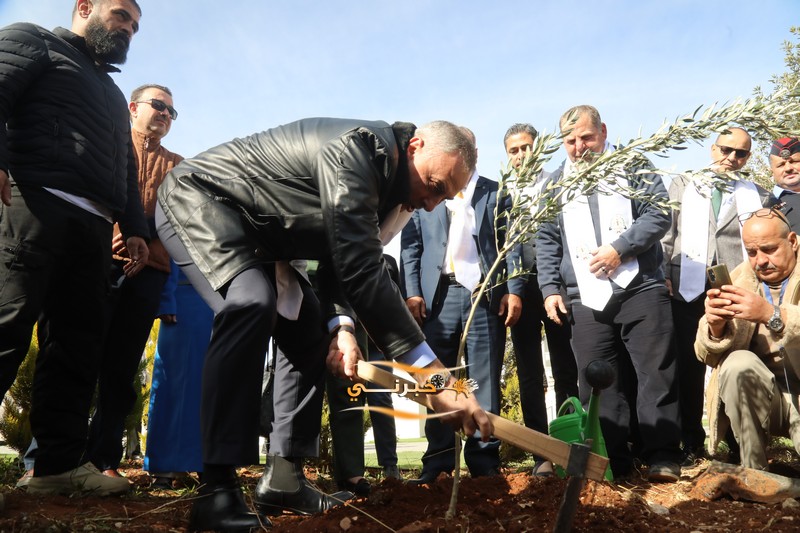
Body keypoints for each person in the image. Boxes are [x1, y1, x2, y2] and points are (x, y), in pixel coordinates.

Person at [156, 118, 491, 532]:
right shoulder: (360, 151)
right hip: (201, 199)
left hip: (260, 235)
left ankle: (283, 477)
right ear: (416, 146)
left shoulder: (395, 190)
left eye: (446, 197)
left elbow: (339, 257)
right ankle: (216, 491)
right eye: (436, 186)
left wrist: (342, 328)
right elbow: (361, 269)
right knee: (250, 304)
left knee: (309, 331)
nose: (431, 204)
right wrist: (436, 382)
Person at [0, 0, 148, 496]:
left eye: (134, 23)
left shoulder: (109, 89)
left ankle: (56, 468)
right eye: (120, 14)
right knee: (7, 324)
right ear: (84, 7)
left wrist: (134, 227)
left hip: (93, 228)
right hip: (33, 204)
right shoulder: (32, 40)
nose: (127, 27)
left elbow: (125, 167)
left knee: (77, 346)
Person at [535, 105, 682, 482]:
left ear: (603, 130)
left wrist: (622, 247)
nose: (579, 147)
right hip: (585, 296)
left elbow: (658, 212)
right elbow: (547, 239)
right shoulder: (554, 183)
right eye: (570, 141)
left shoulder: (633, 165)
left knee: (655, 374)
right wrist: (550, 287)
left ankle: (662, 456)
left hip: (641, 286)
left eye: (586, 137)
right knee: (598, 382)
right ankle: (612, 462)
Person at [400, 128, 523, 483]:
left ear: (473, 154)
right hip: (437, 298)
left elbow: (511, 244)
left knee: (482, 379)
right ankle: (437, 461)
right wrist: (412, 292)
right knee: (438, 379)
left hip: (485, 297)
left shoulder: (496, 193)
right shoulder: (428, 190)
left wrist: (513, 288)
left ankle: (484, 463)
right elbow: (410, 246)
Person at [661, 127, 776, 465]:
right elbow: (669, 234)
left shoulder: (759, 194)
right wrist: (665, 274)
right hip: (687, 286)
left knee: (732, 359)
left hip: (736, 285)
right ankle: (690, 441)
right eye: (726, 150)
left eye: (741, 153)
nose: (732, 158)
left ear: (748, 157)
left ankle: (738, 441)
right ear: (712, 149)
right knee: (688, 364)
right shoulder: (685, 184)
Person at [86, 83, 183, 477]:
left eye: (171, 112)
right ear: (132, 107)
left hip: (150, 274)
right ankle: (48, 458)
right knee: (73, 356)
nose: (164, 114)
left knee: (121, 367)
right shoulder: (106, 143)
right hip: (96, 262)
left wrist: (146, 238)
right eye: (158, 106)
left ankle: (103, 460)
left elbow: (181, 218)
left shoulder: (179, 165)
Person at [695, 207, 800, 470]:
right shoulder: (740, 280)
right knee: (738, 363)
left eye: (769, 249)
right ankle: (754, 472)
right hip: (770, 399)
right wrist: (716, 328)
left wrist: (770, 314)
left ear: (793, 242)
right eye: (752, 252)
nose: (760, 260)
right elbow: (703, 353)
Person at [503, 123, 579, 477]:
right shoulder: (501, 194)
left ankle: (569, 444)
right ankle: (540, 454)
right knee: (530, 372)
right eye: (514, 150)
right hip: (520, 292)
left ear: (540, 148)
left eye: (527, 147)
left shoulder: (560, 184)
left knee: (566, 366)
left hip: (557, 287)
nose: (521, 155)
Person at [143, 264, 211, 488]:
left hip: (222, 300)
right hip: (184, 297)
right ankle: (165, 466)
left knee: (210, 388)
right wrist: (166, 297)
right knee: (173, 382)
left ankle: (208, 466)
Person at [770, 138, 800, 230]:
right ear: (772, 172)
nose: (788, 168)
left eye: (793, 161)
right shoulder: (767, 204)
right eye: (781, 165)